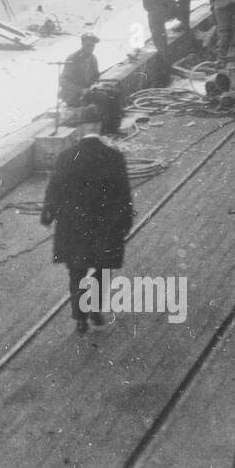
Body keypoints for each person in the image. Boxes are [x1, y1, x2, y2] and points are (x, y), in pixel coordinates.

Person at [40, 135, 135, 334]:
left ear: (80, 130)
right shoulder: (114, 157)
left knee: (77, 273)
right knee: (104, 270)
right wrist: (126, 221)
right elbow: (123, 193)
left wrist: (48, 215)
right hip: (105, 227)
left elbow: (54, 189)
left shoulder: (66, 156)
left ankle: (81, 320)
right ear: (99, 129)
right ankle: (95, 309)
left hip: (74, 227)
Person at [59, 33, 122, 133]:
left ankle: (115, 128)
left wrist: (98, 84)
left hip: (88, 91)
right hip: (74, 95)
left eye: (92, 46)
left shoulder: (93, 58)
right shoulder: (73, 59)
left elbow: (95, 77)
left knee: (115, 93)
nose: (90, 48)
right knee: (102, 97)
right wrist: (81, 90)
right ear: (82, 44)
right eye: (88, 45)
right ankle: (105, 130)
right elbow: (63, 81)